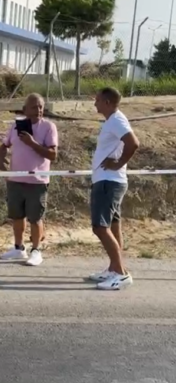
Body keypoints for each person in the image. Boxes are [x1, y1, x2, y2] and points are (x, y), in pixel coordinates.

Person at [0, 93, 59, 266]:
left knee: (35, 218)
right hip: (16, 179)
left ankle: (36, 250)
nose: (38, 110)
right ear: (25, 110)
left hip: (37, 181)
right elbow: (4, 145)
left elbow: (53, 154)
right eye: (34, 107)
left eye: (40, 106)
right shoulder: (16, 126)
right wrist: (0, 159)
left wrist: (32, 143)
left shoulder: (49, 127)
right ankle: (18, 248)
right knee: (17, 216)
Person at [89, 87, 140, 291]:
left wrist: (118, 163)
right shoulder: (113, 120)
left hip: (109, 181)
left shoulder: (117, 120)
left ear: (107, 103)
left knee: (100, 227)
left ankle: (120, 273)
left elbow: (133, 143)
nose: (95, 104)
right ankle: (114, 268)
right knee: (113, 226)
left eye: (98, 100)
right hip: (109, 180)